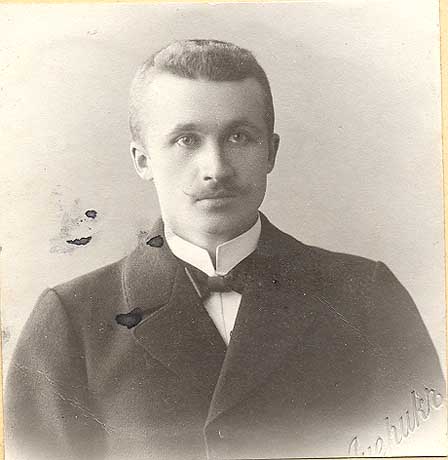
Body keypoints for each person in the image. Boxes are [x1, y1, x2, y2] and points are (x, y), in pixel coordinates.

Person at [5, 39, 446, 460]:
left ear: (270, 152)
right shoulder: (71, 319)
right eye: (186, 139)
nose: (215, 169)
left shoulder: (366, 297)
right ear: (143, 160)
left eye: (239, 137)